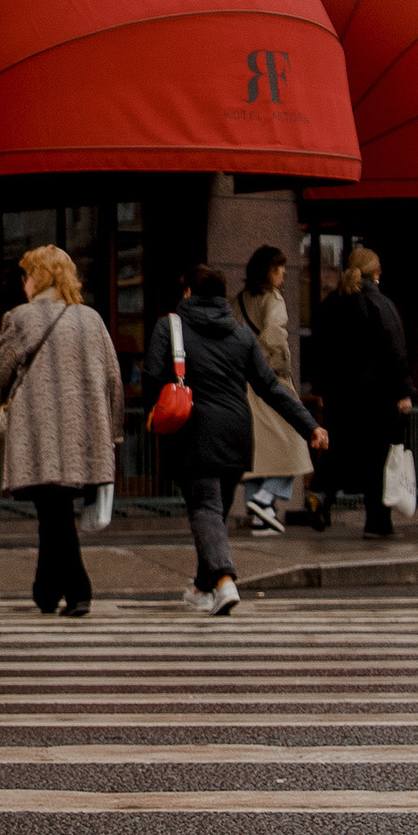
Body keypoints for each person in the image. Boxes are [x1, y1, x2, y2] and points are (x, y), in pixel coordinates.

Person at [160, 261, 326, 615]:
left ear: (188, 291)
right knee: (213, 513)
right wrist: (309, 426)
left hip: (193, 432)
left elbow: (152, 377)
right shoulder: (240, 335)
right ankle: (201, 587)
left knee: (204, 509)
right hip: (238, 435)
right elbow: (270, 387)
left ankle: (224, 580)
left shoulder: (170, 327)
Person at [0, 242, 127, 617]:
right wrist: (114, 430)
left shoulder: (21, 318)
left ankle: (79, 590)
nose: (24, 282)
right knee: (54, 510)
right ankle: (45, 591)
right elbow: (113, 378)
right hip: (83, 432)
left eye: (27, 275)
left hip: (39, 431)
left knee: (54, 509)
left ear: (38, 277)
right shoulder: (91, 319)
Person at [307, 246, 410, 540]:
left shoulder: (329, 305)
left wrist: (322, 389)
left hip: (340, 397)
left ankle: (321, 494)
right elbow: (395, 351)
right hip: (377, 398)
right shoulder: (380, 305)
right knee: (377, 459)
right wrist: (404, 391)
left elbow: (318, 352)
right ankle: (377, 523)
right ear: (375, 273)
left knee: (339, 451)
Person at [234, 243, 311, 532]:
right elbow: (275, 335)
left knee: (259, 455)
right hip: (270, 382)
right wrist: (279, 366)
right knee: (296, 444)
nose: (282, 275)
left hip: (243, 383)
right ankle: (266, 498)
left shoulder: (239, 300)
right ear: (268, 271)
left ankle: (260, 517)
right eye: (278, 269)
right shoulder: (273, 300)